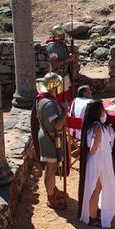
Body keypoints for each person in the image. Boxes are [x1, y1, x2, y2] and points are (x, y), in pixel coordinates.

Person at [78, 100, 115, 228]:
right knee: (96, 188)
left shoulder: (95, 125)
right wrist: (91, 155)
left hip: (99, 158)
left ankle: (92, 212)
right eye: (102, 109)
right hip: (99, 159)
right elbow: (95, 147)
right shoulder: (97, 127)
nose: (104, 111)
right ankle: (92, 217)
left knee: (97, 186)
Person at [35, 72, 68, 210]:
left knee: (52, 167)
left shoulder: (43, 99)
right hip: (50, 138)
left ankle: (53, 189)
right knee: (50, 168)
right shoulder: (48, 104)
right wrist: (65, 110)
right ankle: (51, 197)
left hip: (49, 136)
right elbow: (57, 125)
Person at [46, 25, 76, 105]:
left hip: (65, 74)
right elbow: (55, 64)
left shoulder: (62, 44)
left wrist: (69, 56)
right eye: (61, 35)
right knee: (58, 100)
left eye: (63, 34)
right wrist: (69, 59)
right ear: (57, 36)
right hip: (57, 76)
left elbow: (64, 58)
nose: (63, 36)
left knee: (67, 97)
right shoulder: (52, 47)